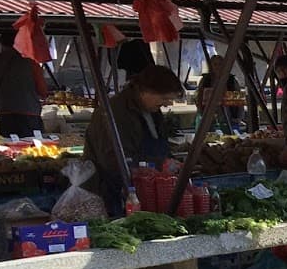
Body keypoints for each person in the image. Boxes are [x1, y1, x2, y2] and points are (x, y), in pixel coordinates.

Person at [82, 66, 184, 215]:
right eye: (164, 98)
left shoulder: (151, 110)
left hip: (143, 188)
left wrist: (168, 162)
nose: (168, 104)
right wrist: (159, 164)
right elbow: (113, 159)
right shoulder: (114, 112)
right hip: (111, 191)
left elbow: (158, 144)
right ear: (145, 90)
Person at [0, 31, 48, 139]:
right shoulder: (31, 61)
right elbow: (42, 89)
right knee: (34, 146)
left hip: (5, 111)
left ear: (1, 43)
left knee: (10, 145)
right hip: (30, 112)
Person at [194, 56, 244, 132]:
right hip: (208, 118)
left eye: (220, 64)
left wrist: (239, 118)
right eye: (215, 64)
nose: (217, 67)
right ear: (211, 65)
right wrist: (201, 114)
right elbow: (199, 99)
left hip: (228, 117)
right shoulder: (205, 81)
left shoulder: (232, 81)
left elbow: (239, 103)